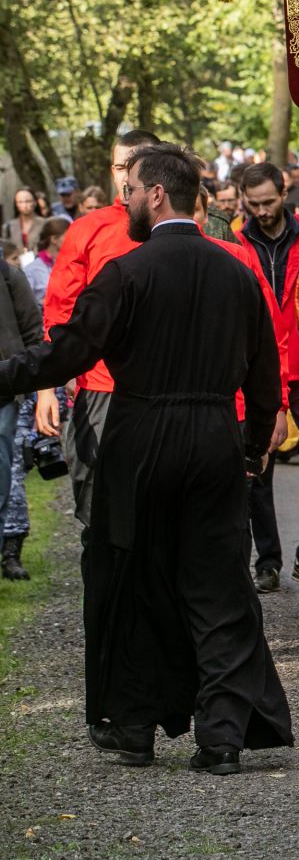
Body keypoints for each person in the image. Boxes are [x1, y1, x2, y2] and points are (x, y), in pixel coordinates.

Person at [0, 143, 290, 773]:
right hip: (214, 436)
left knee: (131, 578)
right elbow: (264, 377)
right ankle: (221, 738)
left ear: (156, 193)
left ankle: (133, 727)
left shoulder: (127, 272)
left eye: (130, 187)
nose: (125, 198)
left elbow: (68, 353)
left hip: (138, 439)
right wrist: (250, 447)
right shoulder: (237, 271)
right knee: (217, 587)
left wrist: (7, 378)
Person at [37, 128, 161, 524]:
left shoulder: (178, 229)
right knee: (97, 511)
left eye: (137, 166)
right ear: (112, 171)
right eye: (122, 166)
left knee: (158, 510)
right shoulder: (87, 230)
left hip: (166, 389)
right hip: (100, 389)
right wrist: (46, 389)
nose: (128, 177)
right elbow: (59, 313)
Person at [234, 162, 299, 593]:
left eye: (269, 202)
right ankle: (267, 560)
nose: (263, 211)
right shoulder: (236, 244)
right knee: (258, 463)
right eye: (253, 205)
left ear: (284, 192)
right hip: (260, 367)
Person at [0, 243, 41, 583]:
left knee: (5, 479)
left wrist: (39, 390)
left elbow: (32, 332)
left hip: (4, 392)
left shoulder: (8, 275)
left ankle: (9, 549)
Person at [4, 187, 44, 253]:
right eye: (20, 202)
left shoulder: (44, 224)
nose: (24, 205)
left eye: (28, 201)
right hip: (17, 261)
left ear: (35, 202)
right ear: (16, 204)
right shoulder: (9, 226)